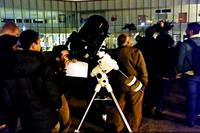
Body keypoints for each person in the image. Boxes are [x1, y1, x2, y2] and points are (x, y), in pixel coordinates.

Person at [3, 29, 62, 132]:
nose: (40, 45)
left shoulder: (10, 67)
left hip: (24, 118)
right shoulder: (43, 66)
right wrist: (57, 105)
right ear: (33, 44)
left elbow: (8, 96)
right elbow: (53, 95)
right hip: (45, 117)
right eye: (39, 42)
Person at [111, 33, 148, 132]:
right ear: (128, 41)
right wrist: (144, 82)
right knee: (136, 107)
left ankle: (118, 127)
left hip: (119, 84)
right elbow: (142, 69)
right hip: (134, 83)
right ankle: (133, 128)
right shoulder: (135, 52)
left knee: (119, 106)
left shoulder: (114, 53)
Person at [47, 45, 76, 132]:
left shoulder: (64, 64)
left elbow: (67, 85)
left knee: (67, 121)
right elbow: (57, 84)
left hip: (60, 95)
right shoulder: (49, 68)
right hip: (51, 97)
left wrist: (73, 63)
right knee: (55, 126)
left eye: (68, 55)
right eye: (65, 56)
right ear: (57, 58)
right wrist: (64, 70)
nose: (67, 58)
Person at [177, 22, 200, 127]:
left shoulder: (185, 44)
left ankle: (190, 120)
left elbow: (180, 62)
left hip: (190, 76)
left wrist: (179, 72)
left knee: (191, 98)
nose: (186, 31)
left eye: (187, 29)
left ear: (191, 31)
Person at [0, 22, 20, 132]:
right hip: (4, 113)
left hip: (9, 109)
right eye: (15, 35)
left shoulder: (8, 53)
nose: (16, 38)